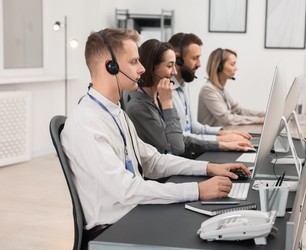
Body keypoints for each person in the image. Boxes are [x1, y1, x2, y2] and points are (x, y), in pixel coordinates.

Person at [60, 28, 250, 230]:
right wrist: (197, 190)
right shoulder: (86, 122)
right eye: (134, 62)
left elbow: (153, 161)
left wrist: (209, 168)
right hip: (113, 228)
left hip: (134, 212)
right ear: (111, 67)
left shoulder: (116, 113)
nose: (142, 69)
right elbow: (127, 190)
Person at [124, 39, 253, 157]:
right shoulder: (138, 108)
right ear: (150, 68)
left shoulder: (158, 98)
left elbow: (182, 138)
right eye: (170, 66)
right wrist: (168, 104)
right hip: (163, 177)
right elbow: (176, 147)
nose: (174, 72)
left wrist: (222, 144)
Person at [168, 33, 251, 142]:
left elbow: (192, 125)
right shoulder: (166, 91)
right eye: (194, 58)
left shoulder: (184, 85)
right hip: (184, 152)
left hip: (192, 147)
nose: (199, 64)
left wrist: (222, 133)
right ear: (177, 58)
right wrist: (219, 139)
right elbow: (181, 138)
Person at [197, 48, 265, 126]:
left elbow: (238, 110)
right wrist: (259, 120)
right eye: (232, 64)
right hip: (212, 137)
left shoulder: (221, 90)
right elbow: (227, 118)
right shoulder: (208, 90)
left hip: (224, 134)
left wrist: (264, 114)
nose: (236, 68)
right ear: (219, 67)